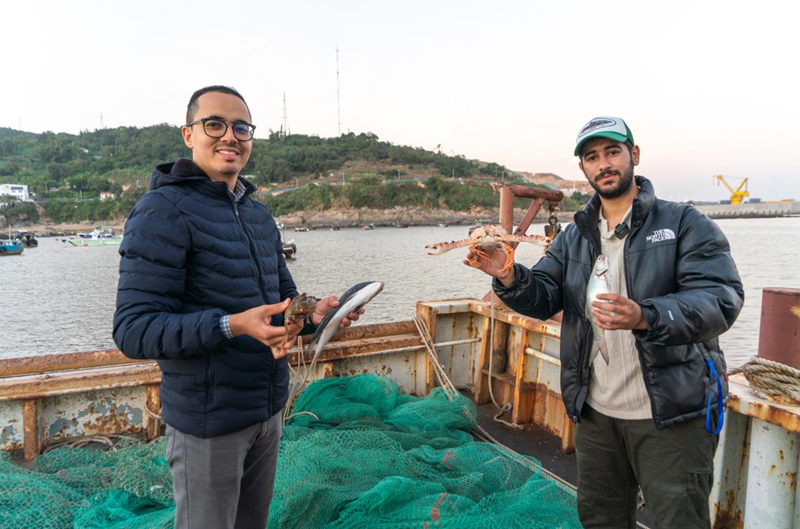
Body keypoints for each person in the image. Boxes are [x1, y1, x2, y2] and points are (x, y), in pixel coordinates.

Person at [468, 116, 744, 528]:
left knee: (679, 521)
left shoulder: (684, 223)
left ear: (634, 155)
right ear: (583, 167)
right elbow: (544, 296)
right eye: (592, 157)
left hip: (671, 415)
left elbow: (721, 299)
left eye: (613, 152)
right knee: (601, 520)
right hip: (596, 412)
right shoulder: (574, 236)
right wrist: (508, 276)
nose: (604, 164)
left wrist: (645, 316)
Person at [113, 85, 362, 529]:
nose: (230, 136)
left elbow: (282, 305)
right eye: (215, 124)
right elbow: (134, 330)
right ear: (188, 134)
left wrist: (313, 317)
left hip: (267, 410)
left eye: (241, 127)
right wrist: (231, 325)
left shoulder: (258, 216)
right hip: (209, 420)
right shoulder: (160, 211)